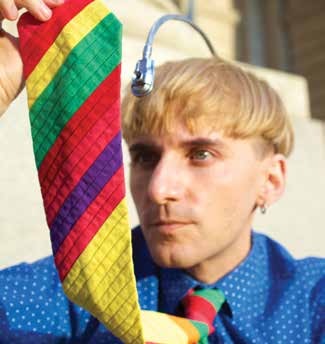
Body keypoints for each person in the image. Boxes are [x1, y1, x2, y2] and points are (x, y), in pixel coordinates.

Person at [0, 1, 324, 343]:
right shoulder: (75, 293)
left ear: (270, 181)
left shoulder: (312, 303)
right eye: (144, 157)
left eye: (200, 154)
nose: (159, 189)